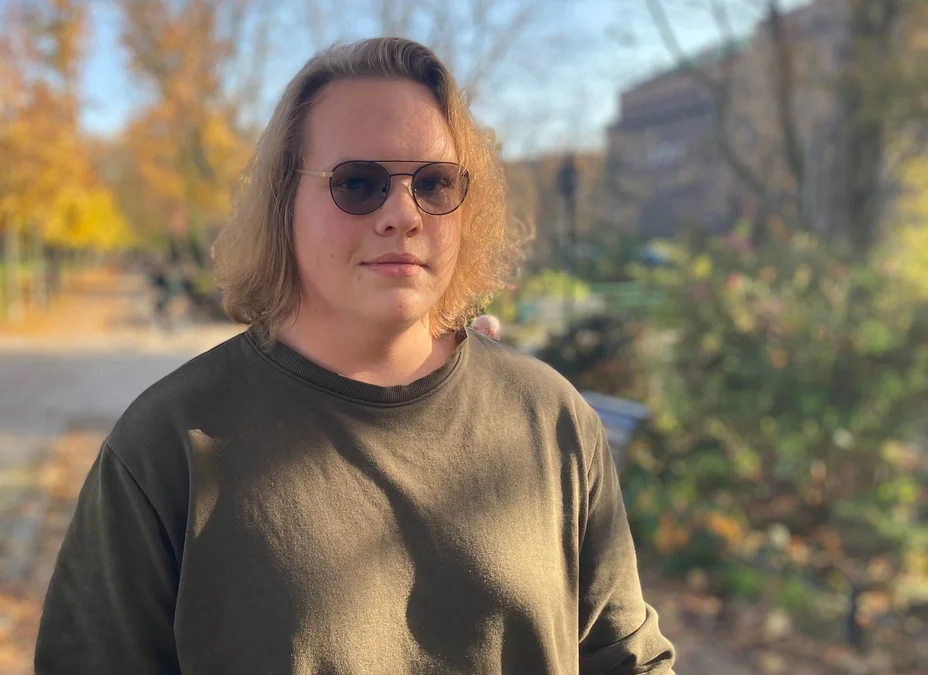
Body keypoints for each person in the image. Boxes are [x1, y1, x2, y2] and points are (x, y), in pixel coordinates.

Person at [35, 37, 675, 674]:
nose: (403, 214)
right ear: (284, 204)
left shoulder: (551, 418)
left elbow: (627, 658)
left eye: (434, 183)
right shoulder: (169, 445)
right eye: (358, 183)